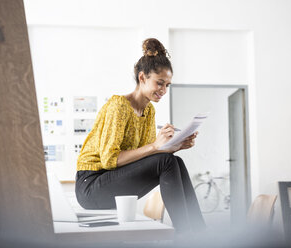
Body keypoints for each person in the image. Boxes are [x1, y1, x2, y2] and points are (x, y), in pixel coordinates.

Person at [75, 38, 206, 235]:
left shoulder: (149, 111)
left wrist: (174, 146)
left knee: (174, 161)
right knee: (167, 162)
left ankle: (199, 234)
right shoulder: (119, 106)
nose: (163, 90)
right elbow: (109, 160)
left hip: (111, 180)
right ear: (142, 77)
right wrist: (155, 147)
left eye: (167, 85)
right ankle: (187, 236)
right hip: (91, 186)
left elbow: (145, 157)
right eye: (159, 83)